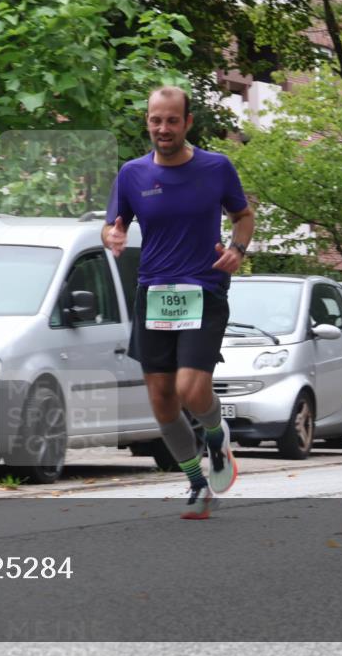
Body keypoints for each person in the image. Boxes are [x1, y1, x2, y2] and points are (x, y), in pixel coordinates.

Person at [103, 86, 255, 520]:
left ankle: (214, 430)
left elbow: (242, 215)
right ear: (147, 122)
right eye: (156, 120)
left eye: (172, 120)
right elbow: (112, 225)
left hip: (204, 288)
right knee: (163, 401)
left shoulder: (216, 167)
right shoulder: (132, 174)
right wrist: (111, 236)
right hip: (153, 292)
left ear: (188, 122)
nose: (163, 128)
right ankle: (197, 484)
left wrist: (237, 248)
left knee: (191, 388)